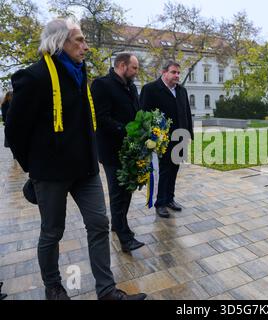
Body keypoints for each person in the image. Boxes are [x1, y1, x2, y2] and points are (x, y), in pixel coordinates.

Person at [5, 18, 146, 300]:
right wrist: (34, 168)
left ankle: (106, 291)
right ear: (60, 42)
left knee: (98, 223)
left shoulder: (80, 72)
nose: (86, 46)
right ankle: (54, 287)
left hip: (85, 168)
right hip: (51, 172)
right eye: (79, 40)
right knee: (52, 232)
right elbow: (14, 130)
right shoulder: (34, 77)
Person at [90, 53, 144, 253]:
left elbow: (137, 112)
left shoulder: (131, 86)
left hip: (130, 149)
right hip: (112, 150)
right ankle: (124, 236)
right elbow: (101, 118)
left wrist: (143, 128)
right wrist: (126, 130)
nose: (136, 72)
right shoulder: (101, 85)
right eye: (134, 68)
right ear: (122, 65)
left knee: (127, 188)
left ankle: (118, 224)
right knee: (118, 192)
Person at [139, 61, 193, 218]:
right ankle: (160, 203)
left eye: (178, 73)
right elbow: (143, 115)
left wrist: (189, 134)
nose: (177, 75)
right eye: (173, 72)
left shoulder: (182, 90)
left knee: (174, 170)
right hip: (162, 140)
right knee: (164, 171)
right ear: (164, 73)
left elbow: (186, 113)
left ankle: (170, 198)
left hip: (180, 138)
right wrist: (149, 138)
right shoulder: (150, 89)